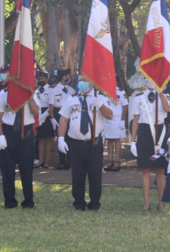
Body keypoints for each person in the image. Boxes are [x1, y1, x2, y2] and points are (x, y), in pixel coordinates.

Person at [57, 80, 112, 210]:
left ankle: (94, 203)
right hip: (75, 143)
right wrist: (60, 139)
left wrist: (100, 105)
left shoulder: (100, 98)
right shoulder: (71, 99)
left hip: (94, 143)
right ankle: (79, 203)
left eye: (86, 81)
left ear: (92, 83)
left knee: (95, 175)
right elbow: (63, 119)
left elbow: (110, 115)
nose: (83, 83)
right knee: (77, 174)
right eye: (81, 80)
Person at [0, 86, 40, 209]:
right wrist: (0, 135)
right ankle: (10, 201)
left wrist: (29, 97)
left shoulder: (32, 92)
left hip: (27, 131)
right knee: (7, 169)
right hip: (9, 131)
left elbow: (35, 111)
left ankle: (28, 201)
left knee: (27, 169)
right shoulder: (4, 93)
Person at [131, 80, 170, 211]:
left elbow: (168, 109)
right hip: (144, 133)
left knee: (160, 170)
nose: (151, 81)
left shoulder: (164, 95)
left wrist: (160, 92)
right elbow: (136, 120)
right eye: (148, 78)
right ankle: (146, 203)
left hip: (160, 133)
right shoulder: (139, 98)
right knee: (145, 169)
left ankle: (161, 203)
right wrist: (133, 140)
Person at [49, 69, 74, 170]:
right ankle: (62, 162)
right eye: (68, 76)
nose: (69, 78)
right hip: (58, 113)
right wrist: (52, 118)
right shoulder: (54, 89)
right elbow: (51, 105)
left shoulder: (71, 90)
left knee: (70, 138)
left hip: (70, 114)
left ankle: (70, 161)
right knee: (61, 137)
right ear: (64, 77)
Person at [103, 85, 128, 172]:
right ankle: (110, 161)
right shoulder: (104, 90)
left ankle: (117, 161)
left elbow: (125, 106)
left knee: (117, 140)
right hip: (107, 118)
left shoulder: (120, 92)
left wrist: (123, 120)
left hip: (117, 119)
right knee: (109, 140)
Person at [35, 70, 54, 168]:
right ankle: (40, 160)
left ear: (47, 79)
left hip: (46, 116)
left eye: (43, 79)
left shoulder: (50, 90)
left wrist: (45, 115)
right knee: (40, 139)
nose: (41, 80)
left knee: (48, 139)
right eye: (39, 79)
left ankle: (47, 161)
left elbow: (51, 105)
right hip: (37, 114)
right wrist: (38, 116)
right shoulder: (36, 90)